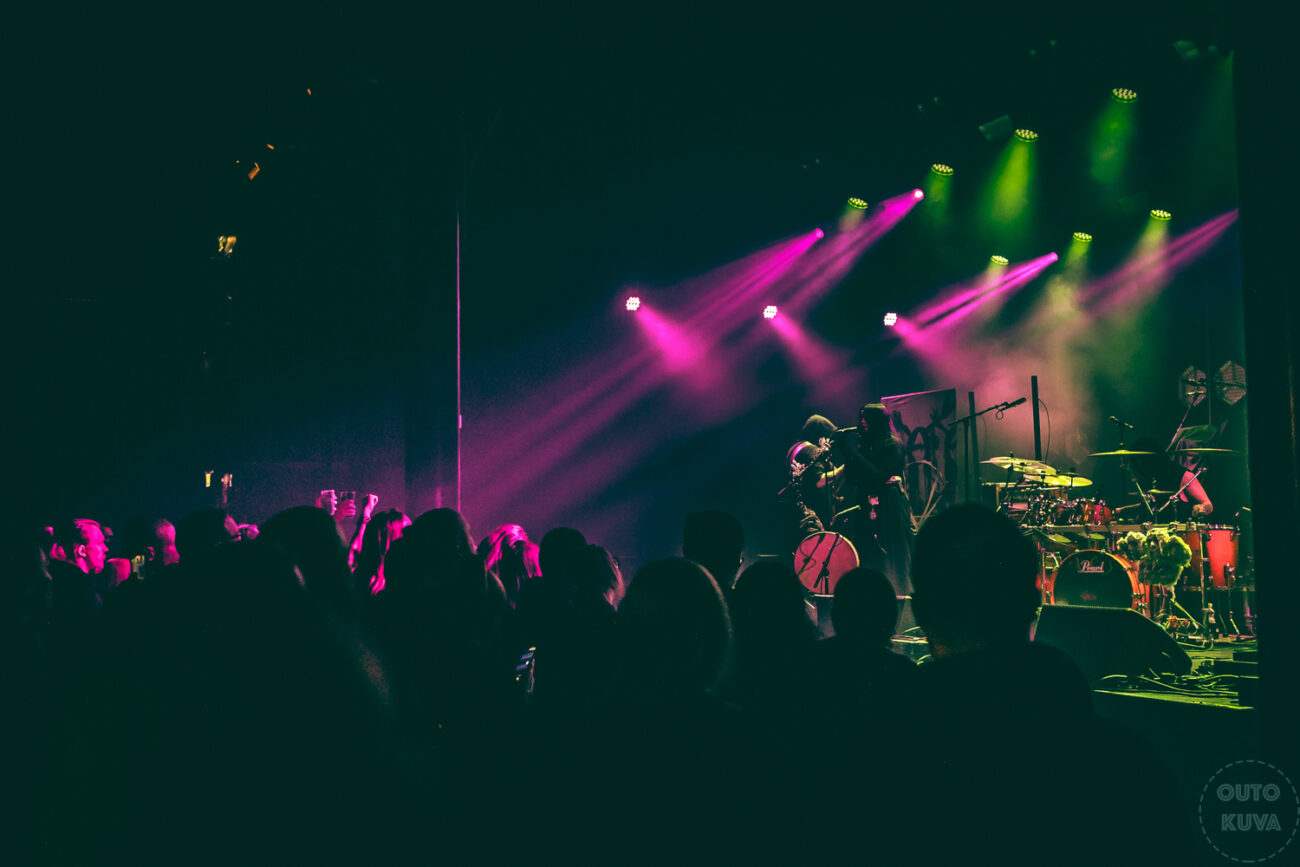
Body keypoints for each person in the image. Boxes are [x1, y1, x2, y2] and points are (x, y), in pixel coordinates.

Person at [834, 403, 915, 595]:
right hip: (866, 505)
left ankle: (899, 595)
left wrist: (851, 452)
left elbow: (877, 476)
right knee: (867, 552)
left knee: (892, 553)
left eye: (866, 418)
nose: (861, 422)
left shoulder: (892, 444)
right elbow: (853, 477)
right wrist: (846, 452)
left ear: (877, 421)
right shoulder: (867, 445)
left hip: (889, 505)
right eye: (860, 417)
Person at [1129, 436, 1213, 519]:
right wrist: (1125, 510)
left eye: (1142, 462)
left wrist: (1200, 508)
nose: (1139, 467)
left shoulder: (1183, 476)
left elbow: (1208, 504)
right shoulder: (1149, 478)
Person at [681, 509, 745, 593]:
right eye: (739, 559)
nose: (739, 565)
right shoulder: (742, 600)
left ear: (686, 552)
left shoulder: (667, 596)